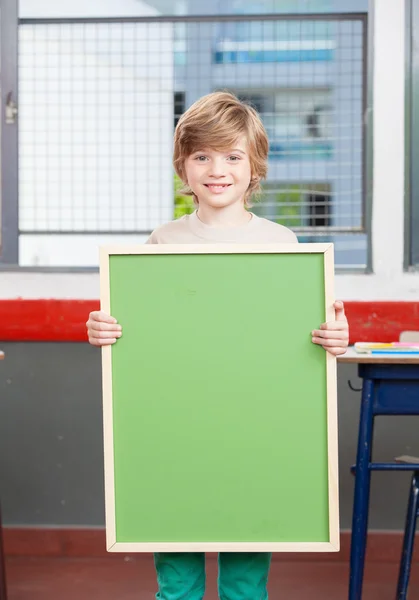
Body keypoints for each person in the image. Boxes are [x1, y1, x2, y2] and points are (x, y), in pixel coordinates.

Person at [86, 91, 349, 600]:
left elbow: (309, 336)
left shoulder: (284, 246)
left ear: (255, 168)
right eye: (201, 156)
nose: (217, 169)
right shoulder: (161, 242)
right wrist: (102, 328)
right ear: (183, 169)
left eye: (232, 156)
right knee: (177, 579)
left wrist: (334, 338)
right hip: (177, 431)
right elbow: (135, 335)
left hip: (254, 431)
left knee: (246, 583)